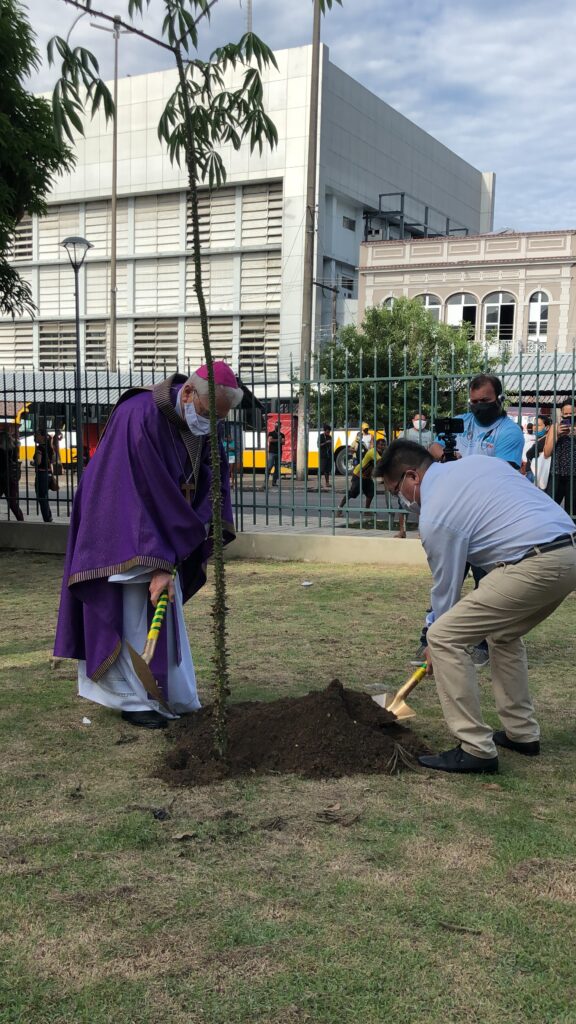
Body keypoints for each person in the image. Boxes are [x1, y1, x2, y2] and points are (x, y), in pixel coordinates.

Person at [54, 363, 243, 730]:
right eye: (209, 415)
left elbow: (211, 477)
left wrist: (205, 524)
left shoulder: (200, 419)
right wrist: (160, 561)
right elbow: (140, 493)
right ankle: (131, 698)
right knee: (129, 608)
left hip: (162, 531)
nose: (212, 425)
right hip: (117, 521)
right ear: (188, 393)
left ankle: (171, 693)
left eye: (219, 419)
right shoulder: (139, 416)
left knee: (160, 607)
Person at [375, 440, 576, 774]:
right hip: (567, 553)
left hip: (532, 563)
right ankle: (521, 733)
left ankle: (475, 748)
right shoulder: (479, 465)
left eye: (396, 489)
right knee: (502, 634)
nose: (400, 498)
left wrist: (431, 640)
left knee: (444, 637)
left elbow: (446, 588)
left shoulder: (437, 514)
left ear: (412, 477)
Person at [414, 373, 525, 667]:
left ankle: (481, 643)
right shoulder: (463, 422)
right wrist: (450, 456)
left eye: (485, 401)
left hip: (488, 521)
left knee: (486, 585)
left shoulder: (509, 433)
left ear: (499, 400)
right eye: (474, 402)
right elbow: (434, 449)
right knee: (445, 581)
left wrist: (460, 465)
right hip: (456, 517)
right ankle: (431, 637)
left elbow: (499, 473)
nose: (478, 407)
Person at [395, 412, 434, 537]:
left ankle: (421, 531)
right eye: (418, 419)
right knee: (402, 501)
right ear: (413, 420)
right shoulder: (406, 433)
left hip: (424, 471)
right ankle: (402, 531)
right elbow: (397, 448)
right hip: (407, 472)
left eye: (423, 419)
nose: (420, 422)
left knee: (422, 501)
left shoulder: (431, 434)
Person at [337, 437, 386, 517]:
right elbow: (380, 462)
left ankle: (366, 510)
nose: (383, 446)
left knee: (371, 493)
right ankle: (339, 509)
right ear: (377, 445)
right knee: (353, 493)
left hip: (367, 476)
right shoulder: (373, 452)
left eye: (384, 445)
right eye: (381, 445)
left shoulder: (381, 453)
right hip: (358, 474)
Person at [542, 402, 576, 516]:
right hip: (557, 473)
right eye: (565, 413)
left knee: (572, 511)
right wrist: (556, 435)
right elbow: (546, 453)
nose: (568, 416)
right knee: (550, 508)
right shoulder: (555, 427)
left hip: (574, 476)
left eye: (572, 413)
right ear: (561, 414)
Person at [0, 425, 24, 521]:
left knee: (13, 503)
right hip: (11, 479)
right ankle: (21, 520)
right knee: (13, 503)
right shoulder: (13, 450)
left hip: (2, 479)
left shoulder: (1, 451)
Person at [524, 416, 552, 487]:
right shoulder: (539, 439)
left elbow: (530, 454)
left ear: (547, 427)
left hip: (536, 473)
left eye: (538, 425)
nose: (534, 427)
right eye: (534, 425)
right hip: (533, 472)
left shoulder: (546, 440)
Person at [33, 427, 54, 523]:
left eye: (37, 434)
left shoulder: (40, 447)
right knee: (44, 496)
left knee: (41, 497)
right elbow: (52, 459)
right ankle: (49, 516)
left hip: (41, 474)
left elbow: (38, 461)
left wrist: (33, 463)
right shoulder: (49, 447)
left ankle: (47, 519)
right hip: (48, 473)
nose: (35, 436)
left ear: (42, 437)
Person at [266, 420, 285, 487]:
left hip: (279, 453)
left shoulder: (282, 434)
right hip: (272, 452)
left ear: (280, 426)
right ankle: (266, 481)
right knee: (269, 466)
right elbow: (270, 440)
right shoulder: (271, 433)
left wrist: (279, 440)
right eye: (275, 425)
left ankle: (274, 482)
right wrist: (278, 440)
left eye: (278, 425)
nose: (276, 426)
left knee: (277, 468)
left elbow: (283, 442)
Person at [318, 423, 333, 489]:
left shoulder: (330, 437)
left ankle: (327, 483)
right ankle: (319, 483)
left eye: (329, 432)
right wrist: (326, 442)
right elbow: (319, 445)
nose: (328, 433)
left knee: (327, 470)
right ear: (325, 431)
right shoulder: (321, 436)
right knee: (321, 470)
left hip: (328, 455)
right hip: (323, 456)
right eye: (327, 432)